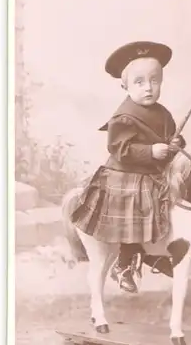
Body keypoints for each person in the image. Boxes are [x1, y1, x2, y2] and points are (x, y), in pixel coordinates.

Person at [71, 41, 185, 293]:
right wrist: (151, 150)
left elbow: (170, 136)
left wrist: (175, 143)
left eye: (154, 81)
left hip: (152, 171)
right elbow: (120, 149)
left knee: (174, 198)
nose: (148, 88)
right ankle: (125, 263)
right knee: (137, 205)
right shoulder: (124, 117)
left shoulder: (162, 113)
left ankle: (154, 251)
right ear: (125, 86)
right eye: (140, 82)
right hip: (125, 172)